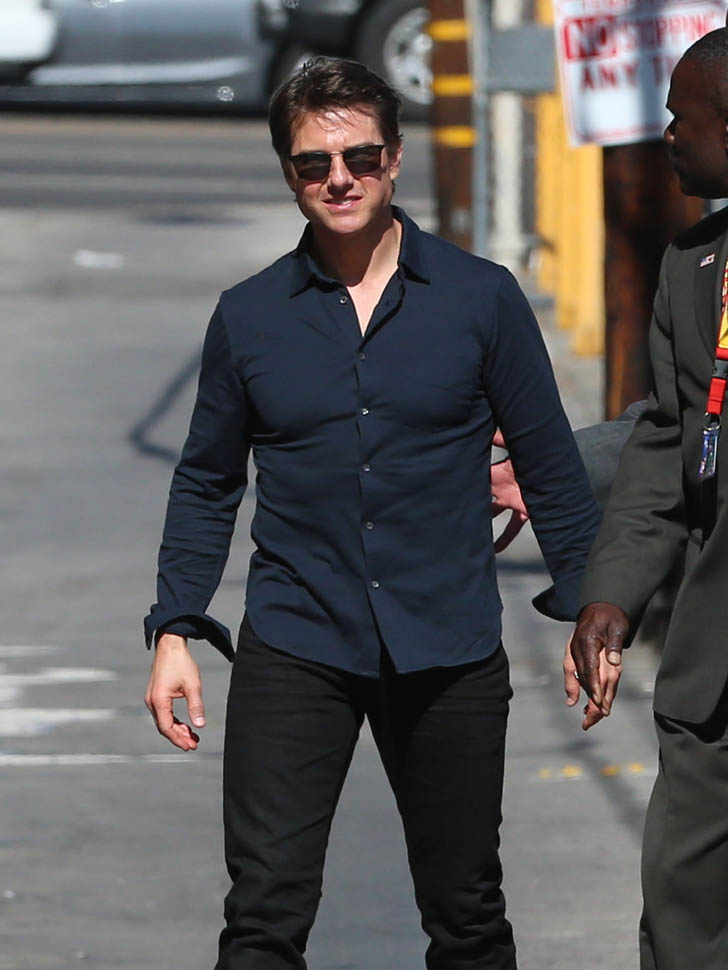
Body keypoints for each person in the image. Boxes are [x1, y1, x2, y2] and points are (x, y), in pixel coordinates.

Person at [143, 57, 600, 970]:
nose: (340, 179)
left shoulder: (481, 299)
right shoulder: (249, 316)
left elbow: (550, 466)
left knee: (467, 915)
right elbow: (205, 481)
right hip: (297, 639)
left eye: (360, 156)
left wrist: (595, 604)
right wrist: (176, 627)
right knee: (262, 917)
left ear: (393, 160)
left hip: (448, 645)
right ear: (290, 174)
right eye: (314, 163)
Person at [568, 28, 728, 970]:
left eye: (683, 116)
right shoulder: (692, 266)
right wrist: (612, 596)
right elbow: (667, 444)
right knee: (681, 910)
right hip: (713, 668)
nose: (668, 133)